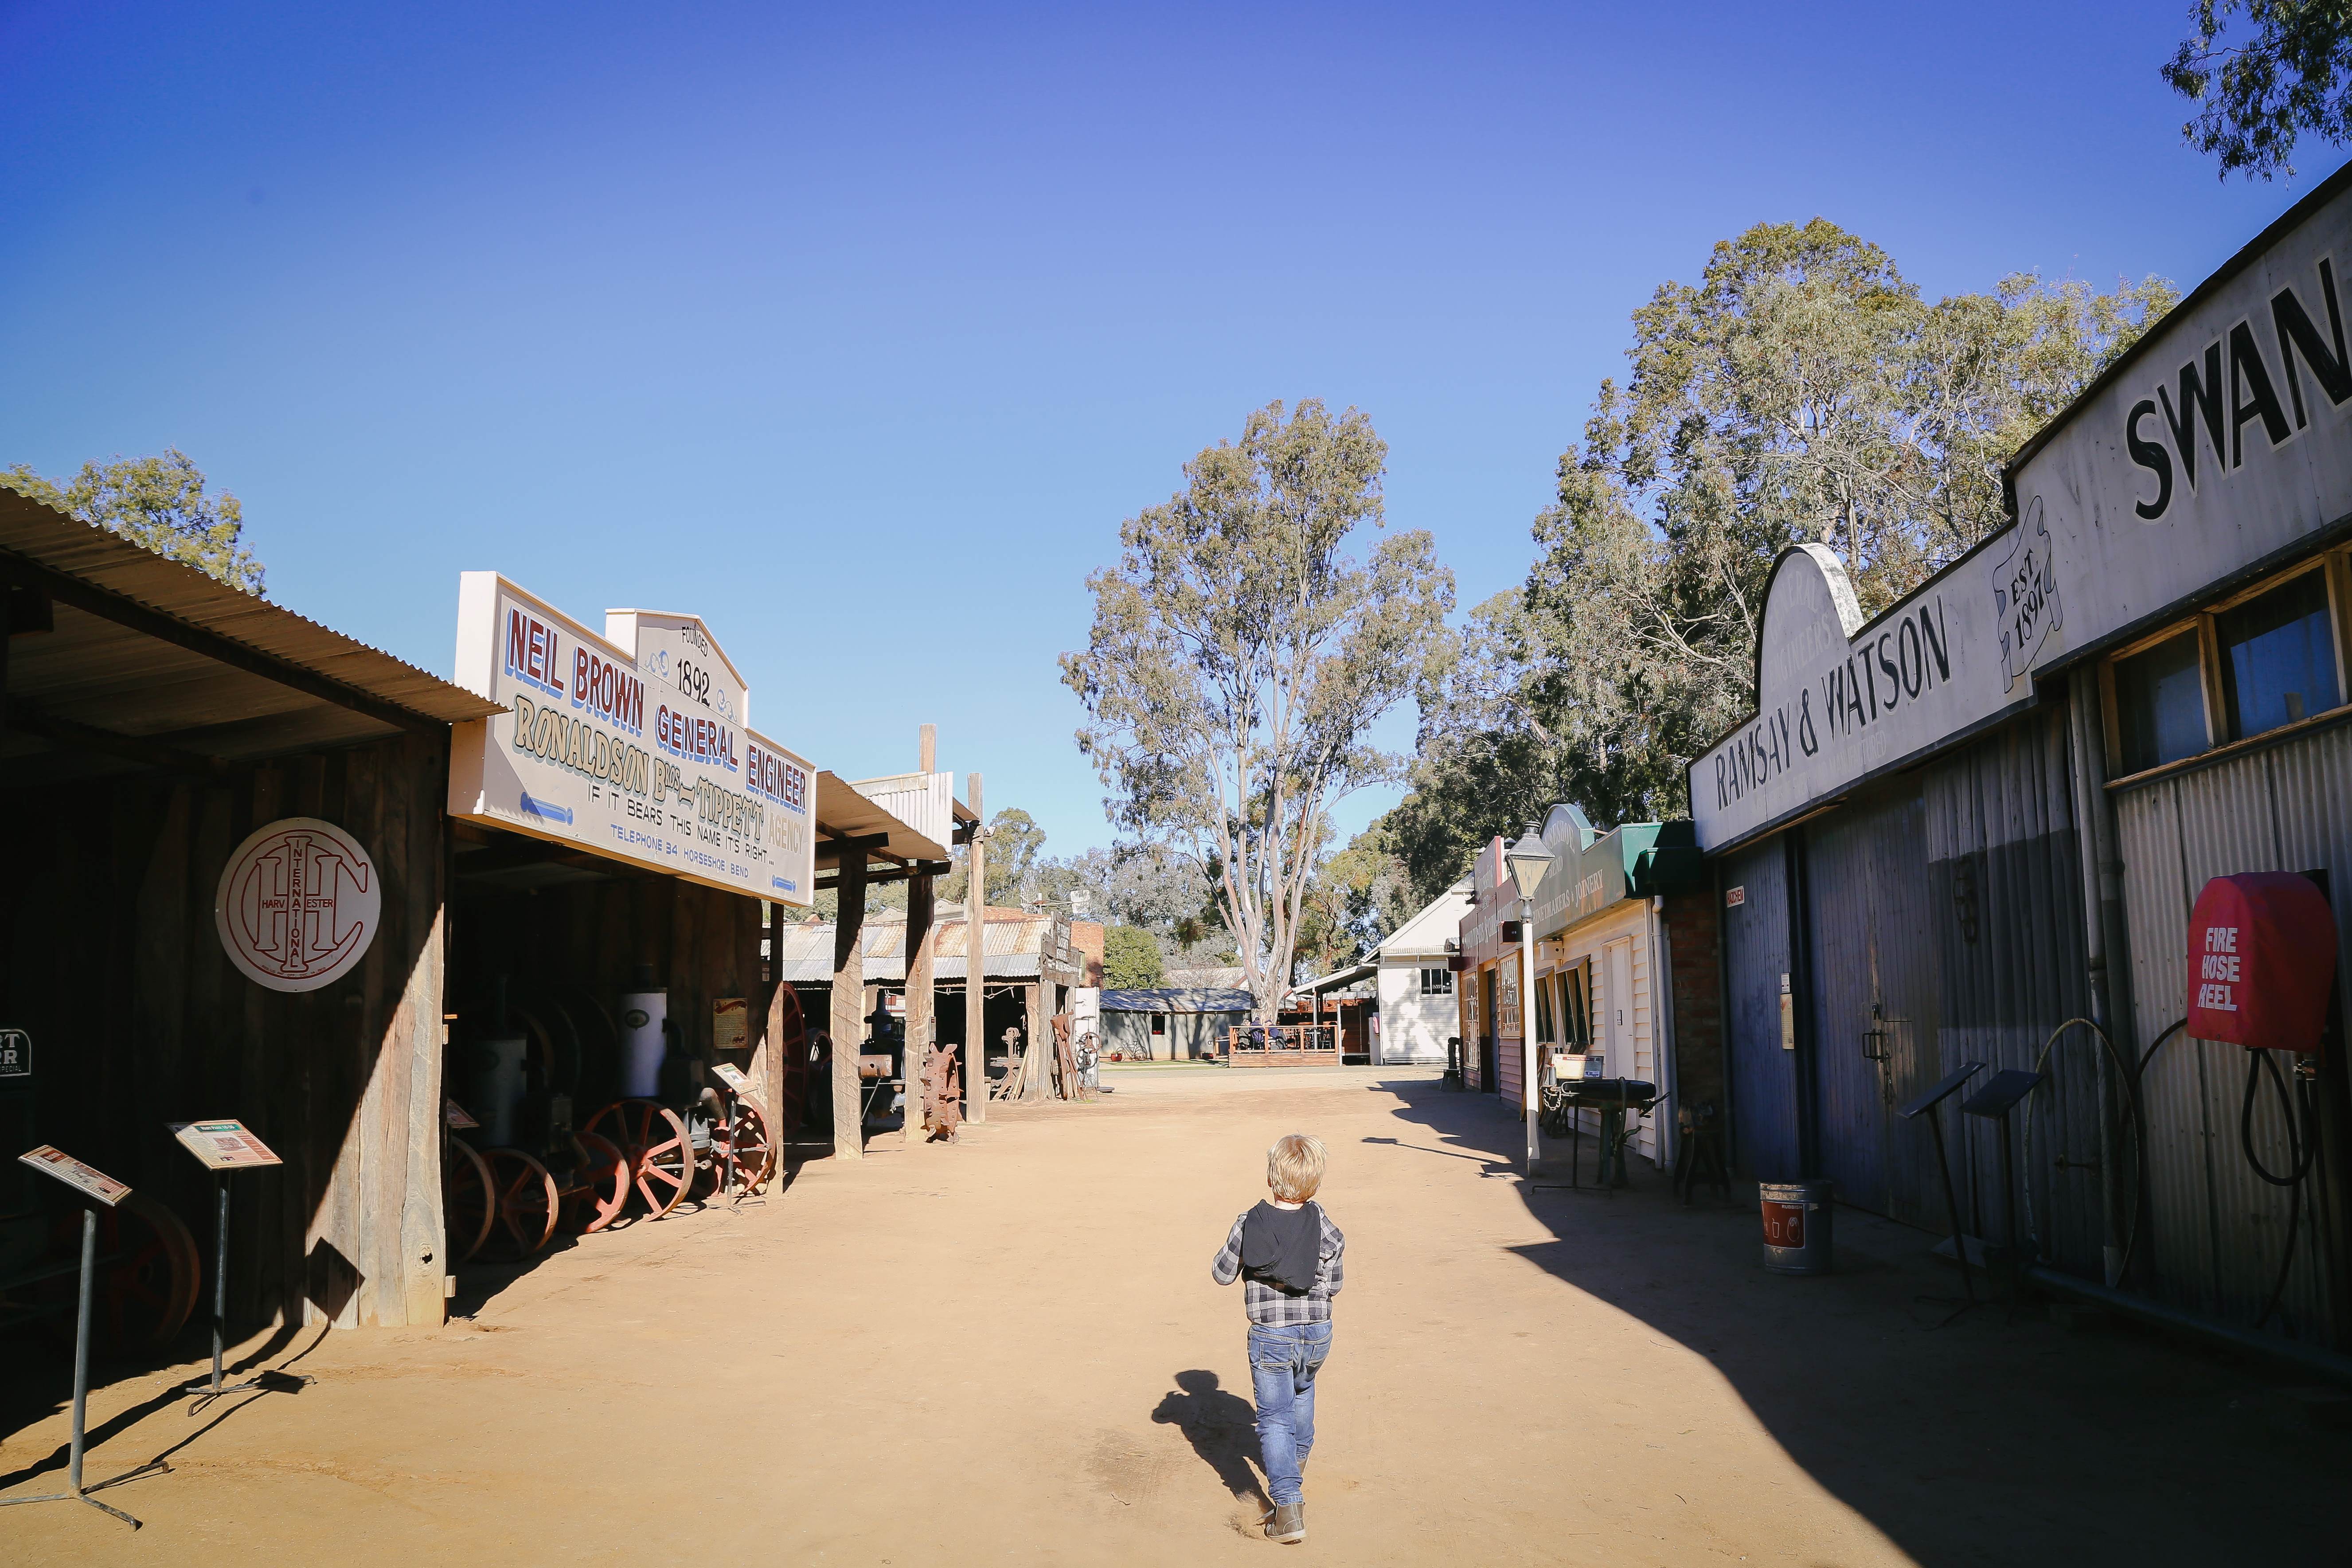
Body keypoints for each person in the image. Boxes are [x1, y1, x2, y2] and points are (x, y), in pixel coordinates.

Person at [1210, 1132, 1344, 1545]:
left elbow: (1222, 1272)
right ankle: (1294, 1465)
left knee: (1273, 1419)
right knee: (1303, 1394)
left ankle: (1288, 1507)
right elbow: (1335, 1283)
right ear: (1316, 1182)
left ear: (1271, 1177)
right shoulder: (1323, 1224)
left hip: (1271, 1334)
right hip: (1317, 1333)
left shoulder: (1250, 1221)